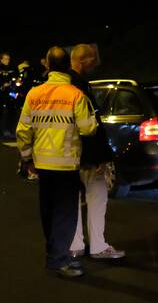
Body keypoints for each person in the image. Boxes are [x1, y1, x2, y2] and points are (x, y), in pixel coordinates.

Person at [16, 47, 98, 278]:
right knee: (65, 214)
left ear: (48, 66)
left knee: (48, 212)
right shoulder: (75, 94)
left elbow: (22, 130)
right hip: (65, 164)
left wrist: (26, 158)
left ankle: (54, 256)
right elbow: (88, 128)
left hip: (42, 164)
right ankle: (59, 260)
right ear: (67, 66)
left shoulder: (34, 94)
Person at [68, 44, 125, 261]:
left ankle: (75, 246)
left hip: (68, 155)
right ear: (84, 61)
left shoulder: (65, 86)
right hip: (87, 156)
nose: (95, 66)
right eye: (93, 61)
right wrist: (101, 157)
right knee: (97, 197)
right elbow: (89, 127)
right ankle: (98, 246)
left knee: (73, 201)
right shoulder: (80, 87)